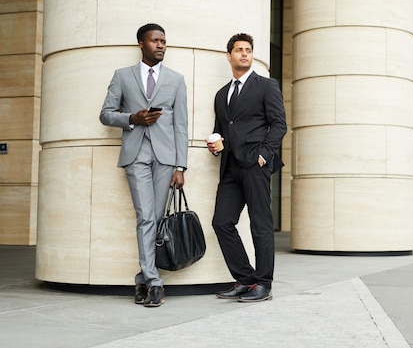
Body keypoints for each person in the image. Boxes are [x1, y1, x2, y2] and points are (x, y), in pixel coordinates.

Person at [99, 23, 188, 308]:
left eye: (164, 41)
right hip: (136, 154)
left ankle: (142, 277)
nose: (161, 45)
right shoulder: (122, 76)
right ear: (141, 43)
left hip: (165, 158)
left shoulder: (176, 79)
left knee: (157, 219)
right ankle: (155, 281)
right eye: (155, 41)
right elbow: (105, 114)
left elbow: (181, 125)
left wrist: (180, 167)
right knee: (146, 216)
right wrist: (132, 119)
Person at [207, 33, 287, 302]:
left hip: (255, 164)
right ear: (228, 56)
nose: (244, 53)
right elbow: (221, 129)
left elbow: (279, 124)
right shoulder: (221, 95)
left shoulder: (266, 86)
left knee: (260, 224)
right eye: (239, 50)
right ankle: (245, 278)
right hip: (230, 167)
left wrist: (264, 155)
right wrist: (216, 144)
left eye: (248, 50)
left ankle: (264, 283)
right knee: (222, 222)